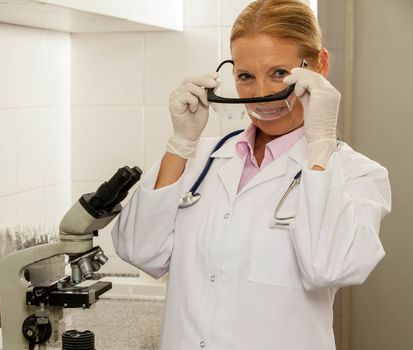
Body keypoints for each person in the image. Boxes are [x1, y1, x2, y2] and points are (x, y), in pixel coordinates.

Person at [111, 0, 392, 349]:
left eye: (279, 73)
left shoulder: (357, 174)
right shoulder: (199, 159)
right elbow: (140, 251)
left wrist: (320, 145)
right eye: (245, 76)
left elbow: (328, 267)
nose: (261, 95)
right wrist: (180, 143)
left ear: (319, 66)